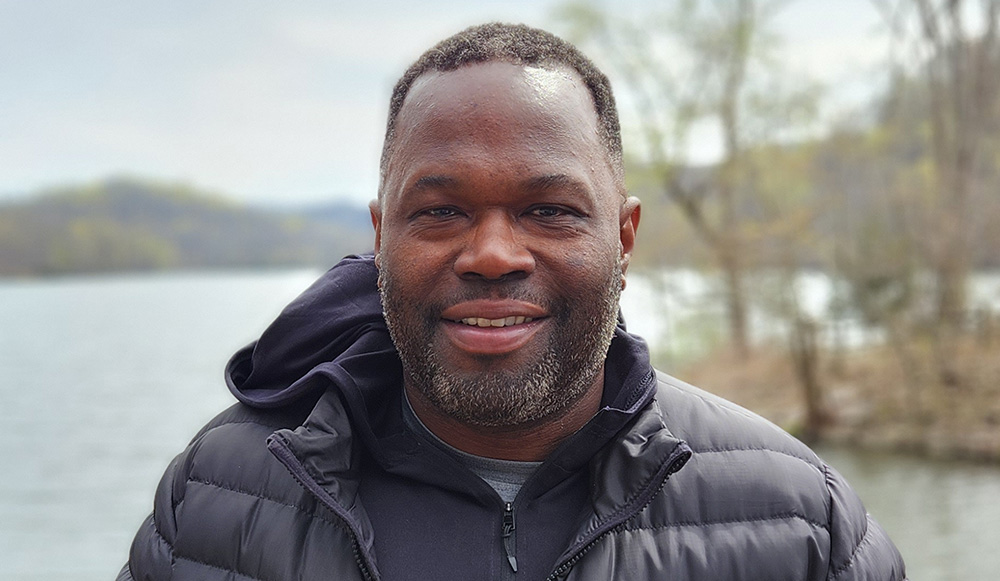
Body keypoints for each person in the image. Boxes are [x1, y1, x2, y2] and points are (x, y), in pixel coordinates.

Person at [119, 23, 906, 580]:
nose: (493, 254)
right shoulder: (216, 500)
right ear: (381, 237)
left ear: (625, 238)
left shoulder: (800, 522)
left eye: (550, 210)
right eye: (441, 210)